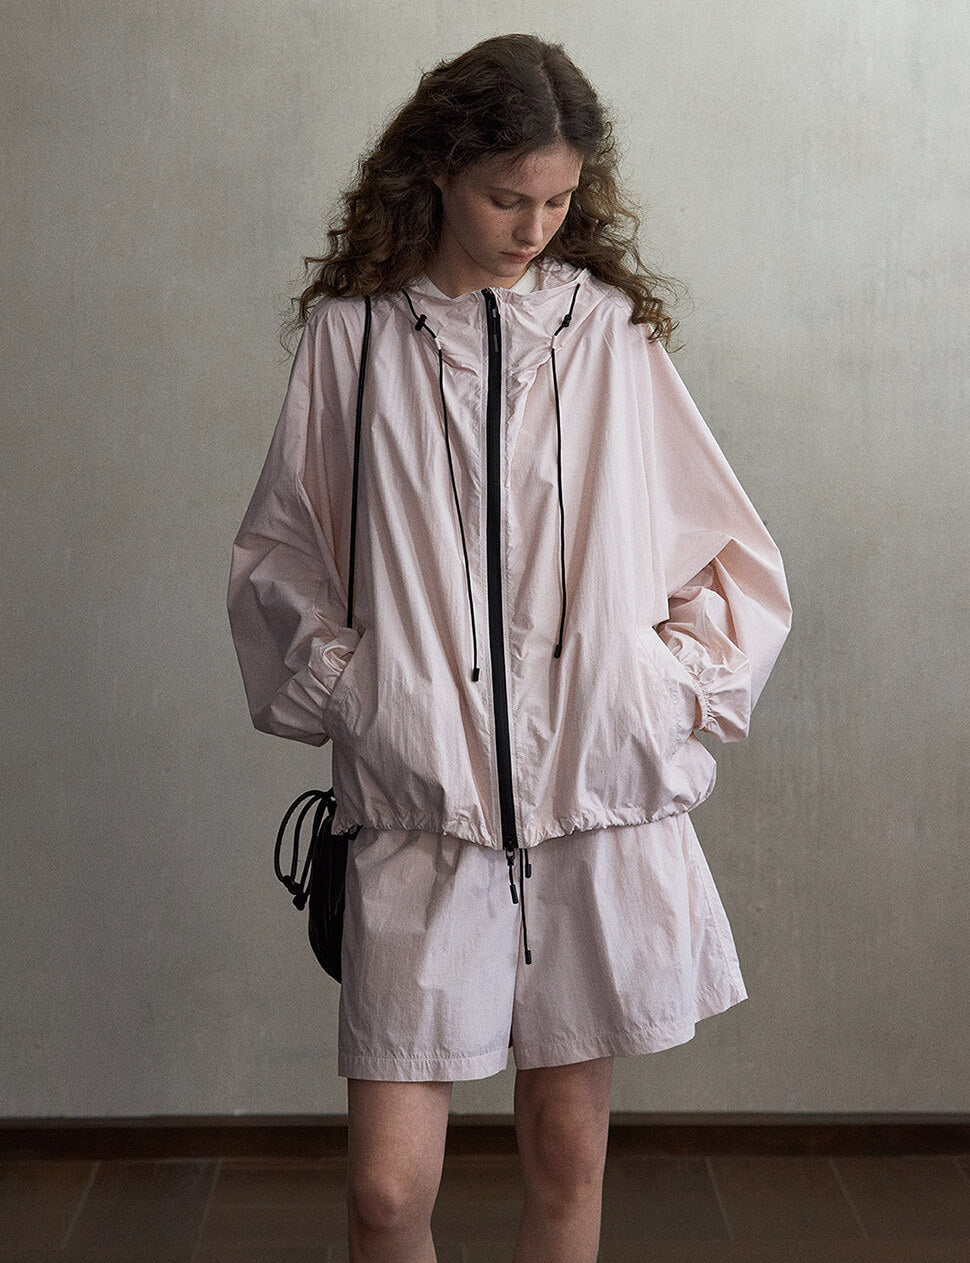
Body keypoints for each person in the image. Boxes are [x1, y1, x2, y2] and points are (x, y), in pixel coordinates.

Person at [227, 32, 791, 1263]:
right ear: (436, 171)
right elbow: (280, 554)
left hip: (591, 806)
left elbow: (727, 554)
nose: (534, 227)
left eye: (558, 201)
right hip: (420, 805)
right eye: (505, 198)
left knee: (568, 1154)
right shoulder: (354, 337)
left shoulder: (608, 333)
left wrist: (663, 690)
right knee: (386, 1195)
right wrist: (360, 692)